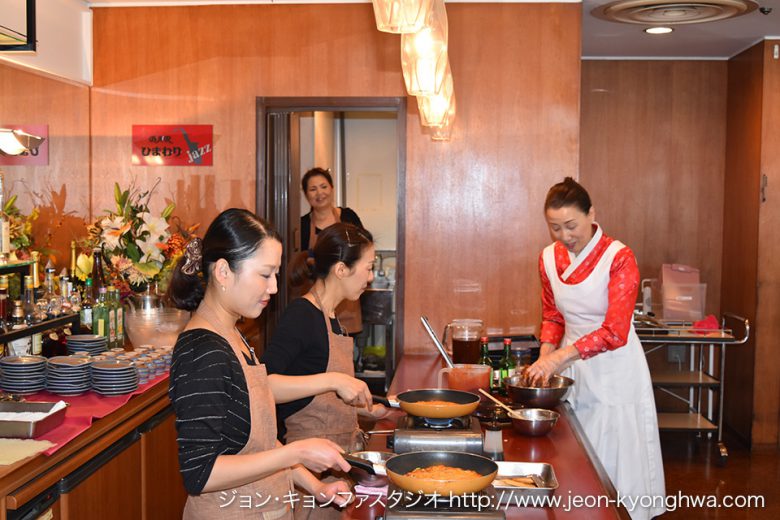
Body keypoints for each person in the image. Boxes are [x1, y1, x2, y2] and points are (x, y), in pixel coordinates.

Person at [168, 209, 372, 519]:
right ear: (223, 272)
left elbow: (260, 442)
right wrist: (296, 451)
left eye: (275, 274)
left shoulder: (234, 337)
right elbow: (201, 473)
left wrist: (315, 487)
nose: (274, 287)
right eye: (265, 274)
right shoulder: (201, 350)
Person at [525, 178, 665, 520]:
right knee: (575, 451)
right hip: (572, 367)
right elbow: (553, 316)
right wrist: (546, 355)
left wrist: (559, 356)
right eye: (555, 227)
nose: (564, 236)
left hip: (615, 369)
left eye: (571, 225)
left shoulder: (619, 257)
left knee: (615, 456)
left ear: (592, 214)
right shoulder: (547, 259)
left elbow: (615, 331)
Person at [262, 223, 389, 519]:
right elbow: (263, 386)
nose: (370, 278)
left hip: (337, 472)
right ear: (341, 269)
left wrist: (365, 408)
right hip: (309, 479)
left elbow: (317, 396)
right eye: (368, 268)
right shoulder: (301, 316)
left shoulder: (332, 317)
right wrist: (333, 379)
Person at [299, 167, 365, 335]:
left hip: (346, 296)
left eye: (323, 186)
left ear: (332, 188)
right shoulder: (302, 225)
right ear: (306, 194)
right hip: (316, 299)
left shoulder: (348, 216)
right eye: (313, 189)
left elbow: (364, 248)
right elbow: (298, 261)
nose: (319, 193)